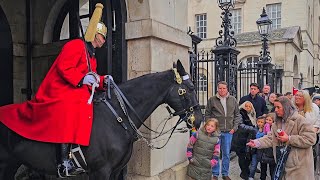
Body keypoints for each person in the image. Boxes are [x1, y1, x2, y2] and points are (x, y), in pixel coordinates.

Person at [0, 4, 111, 177]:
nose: (103, 40)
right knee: (69, 106)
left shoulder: (91, 57)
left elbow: (93, 77)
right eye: (101, 36)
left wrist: (104, 80)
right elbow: (64, 67)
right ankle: (64, 160)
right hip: (60, 89)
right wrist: (82, 79)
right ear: (94, 34)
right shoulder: (76, 45)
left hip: (77, 89)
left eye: (104, 38)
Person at [247, 96, 316, 180]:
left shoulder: (300, 120)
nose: (275, 110)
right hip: (282, 163)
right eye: (275, 107)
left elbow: (311, 139)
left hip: (299, 166)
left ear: (286, 107)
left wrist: (290, 139)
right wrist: (257, 142)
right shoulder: (276, 123)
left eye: (278, 107)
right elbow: (271, 138)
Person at [205, 81, 242, 180]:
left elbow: (237, 115)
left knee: (226, 154)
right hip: (216, 132)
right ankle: (215, 174)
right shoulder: (212, 100)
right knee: (215, 153)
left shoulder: (233, 100)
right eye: (220, 88)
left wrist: (234, 128)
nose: (222, 90)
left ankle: (225, 174)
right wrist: (210, 127)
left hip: (228, 131)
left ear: (227, 89)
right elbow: (207, 114)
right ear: (217, 89)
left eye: (224, 88)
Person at [231, 101, 257, 180]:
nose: (247, 108)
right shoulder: (240, 113)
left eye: (249, 106)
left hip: (249, 138)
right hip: (240, 138)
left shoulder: (252, 114)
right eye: (246, 106)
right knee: (242, 156)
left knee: (248, 156)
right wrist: (252, 129)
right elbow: (240, 125)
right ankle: (244, 173)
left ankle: (245, 172)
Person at [258, 113, 276, 180]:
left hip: (271, 153)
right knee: (263, 168)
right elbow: (258, 136)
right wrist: (262, 130)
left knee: (272, 169)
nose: (268, 122)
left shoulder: (275, 129)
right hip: (263, 152)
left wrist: (268, 131)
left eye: (270, 120)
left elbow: (270, 138)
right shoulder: (262, 127)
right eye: (267, 120)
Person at [248, 116, 265, 180]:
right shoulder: (254, 129)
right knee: (254, 165)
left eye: (262, 122)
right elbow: (250, 139)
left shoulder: (266, 130)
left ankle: (263, 177)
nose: (260, 123)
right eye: (258, 122)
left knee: (263, 165)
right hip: (255, 150)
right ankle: (251, 176)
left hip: (263, 151)